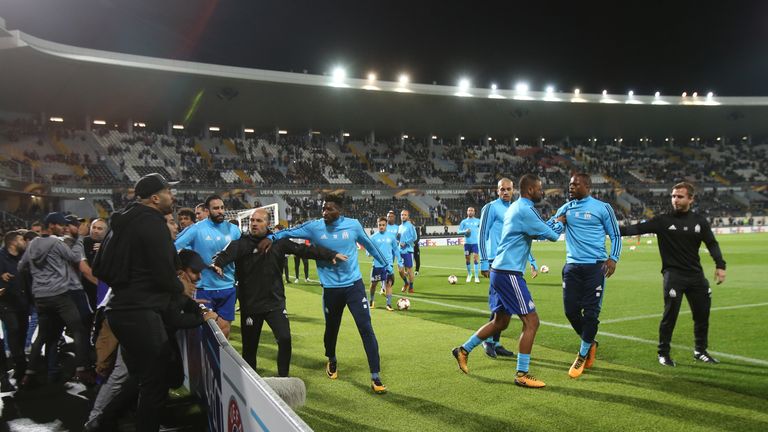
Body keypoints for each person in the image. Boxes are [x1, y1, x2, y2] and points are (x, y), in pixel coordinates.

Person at [266, 194, 392, 393]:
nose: (325, 212)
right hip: (331, 289)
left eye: (329, 209)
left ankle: (375, 375)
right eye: (323, 208)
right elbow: (288, 232)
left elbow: (369, 245)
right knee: (331, 330)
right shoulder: (314, 227)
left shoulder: (353, 226)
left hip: (354, 286)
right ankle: (331, 359)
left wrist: (387, 265)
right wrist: (270, 237)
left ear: (339, 210)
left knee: (365, 327)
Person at [453, 174, 564, 388]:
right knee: (532, 322)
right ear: (531, 190)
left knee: (500, 322)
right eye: (540, 188)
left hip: (501, 270)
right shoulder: (523, 209)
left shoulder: (515, 208)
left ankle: (463, 350)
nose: (542, 192)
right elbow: (550, 235)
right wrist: (560, 223)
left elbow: (537, 230)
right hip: (508, 273)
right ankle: (522, 374)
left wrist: (553, 223)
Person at [212, 209, 343, 377]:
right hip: (251, 306)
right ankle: (252, 383)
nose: (253, 223)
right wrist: (218, 264)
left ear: (268, 224)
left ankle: (283, 377)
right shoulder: (241, 244)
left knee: (285, 339)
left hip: (275, 303)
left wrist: (329, 254)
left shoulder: (279, 243)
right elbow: (224, 255)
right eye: (252, 220)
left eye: (259, 221)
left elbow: (304, 250)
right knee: (250, 349)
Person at [102, 172, 183, 432]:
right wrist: (180, 289)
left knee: (140, 375)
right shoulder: (152, 222)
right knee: (155, 382)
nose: (173, 196)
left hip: (119, 308)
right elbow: (164, 275)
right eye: (169, 192)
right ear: (155, 198)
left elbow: (99, 267)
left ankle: (104, 421)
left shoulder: (120, 222)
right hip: (141, 312)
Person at [619, 182, 726, 366]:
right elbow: (635, 229)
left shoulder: (699, 221)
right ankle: (663, 353)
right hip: (673, 276)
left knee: (702, 315)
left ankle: (700, 351)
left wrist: (720, 265)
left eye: (680, 196)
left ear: (690, 199)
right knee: (670, 316)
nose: (675, 199)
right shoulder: (663, 221)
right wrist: (608, 228)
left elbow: (712, 243)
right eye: (673, 196)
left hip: (696, 276)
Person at [552, 173, 622, 378]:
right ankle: (590, 341)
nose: (571, 187)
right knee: (570, 311)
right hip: (572, 267)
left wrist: (614, 258)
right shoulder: (566, 208)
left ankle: (582, 354)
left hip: (595, 267)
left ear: (588, 186)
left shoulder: (602, 208)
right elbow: (551, 230)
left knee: (591, 313)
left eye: (575, 184)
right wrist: (558, 221)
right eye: (569, 184)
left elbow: (615, 234)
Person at [18, 212, 94, 387]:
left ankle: (29, 375)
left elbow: (22, 266)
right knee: (79, 330)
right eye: (60, 225)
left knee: (43, 336)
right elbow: (74, 257)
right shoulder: (55, 242)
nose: (63, 229)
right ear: (52, 225)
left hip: (41, 297)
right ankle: (82, 370)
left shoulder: (34, 243)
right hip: (59, 295)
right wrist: (80, 239)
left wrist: (38, 277)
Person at [477, 178, 536, 358]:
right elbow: (482, 233)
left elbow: (521, 238)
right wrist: (484, 261)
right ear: (497, 191)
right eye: (502, 189)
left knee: (503, 305)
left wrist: (531, 260)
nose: (505, 192)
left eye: (508, 189)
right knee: (500, 304)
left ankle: (495, 342)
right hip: (496, 262)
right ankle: (488, 341)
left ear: (514, 190)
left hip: (512, 261)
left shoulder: (515, 209)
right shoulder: (491, 208)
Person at [175, 194, 241, 338]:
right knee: (204, 331)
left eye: (222, 208)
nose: (220, 211)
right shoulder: (196, 229)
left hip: (227, 287)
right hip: (204, 288)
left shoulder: (234, 230)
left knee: (225, 330)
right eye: (216, 208)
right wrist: (185, 271)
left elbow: (241, 253)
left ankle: (220, 361)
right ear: (208, 210)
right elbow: (174, 248)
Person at [1, 230, 29, 390]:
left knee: (22, 333)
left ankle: (19, 368)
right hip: (6, 303)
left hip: (22, 302)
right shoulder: (0, 256)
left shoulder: (23, 257)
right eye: (21, 239)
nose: (24, 241)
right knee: (13, 330)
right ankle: (20, 365)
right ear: (13, 242)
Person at [368, 217, 399, 311]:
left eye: (383, 225)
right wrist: (369, 253)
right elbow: (368, 251)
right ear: (377, 225)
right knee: (373, 284)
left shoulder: (391, 236)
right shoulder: (373, 237)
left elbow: (395, 249)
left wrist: (400, 260)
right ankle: (371, 301)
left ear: (386, 225)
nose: (381, 227)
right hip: (377, 265)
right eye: (379, 225)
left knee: (388, 284)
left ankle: (388, 304)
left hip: (389, 265)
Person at [458, 206, 481, 283]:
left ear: (474, 212)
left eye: (472, 210)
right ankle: (469, 274)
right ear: (467, 212)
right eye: (469, 210)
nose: (470, 212)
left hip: (475, 243)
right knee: (467, 259)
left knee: (475, 258)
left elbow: (482, 229)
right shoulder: (464, 222)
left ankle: (476, 277)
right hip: (467, 243)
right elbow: (458, 231)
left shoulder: (478, 221)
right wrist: (465, 231)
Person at [398, 209, 417, 293]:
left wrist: (405, 242)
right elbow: (398, 238)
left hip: (408, 251)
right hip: (399, 251)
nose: (403, 216)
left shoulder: (410, 226)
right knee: (400, 271)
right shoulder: (399, 227)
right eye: (402, 215)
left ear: (408, 216)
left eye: (405, 215)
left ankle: (411, 286)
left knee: (409, 270)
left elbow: (414, 237)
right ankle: (406, 283)